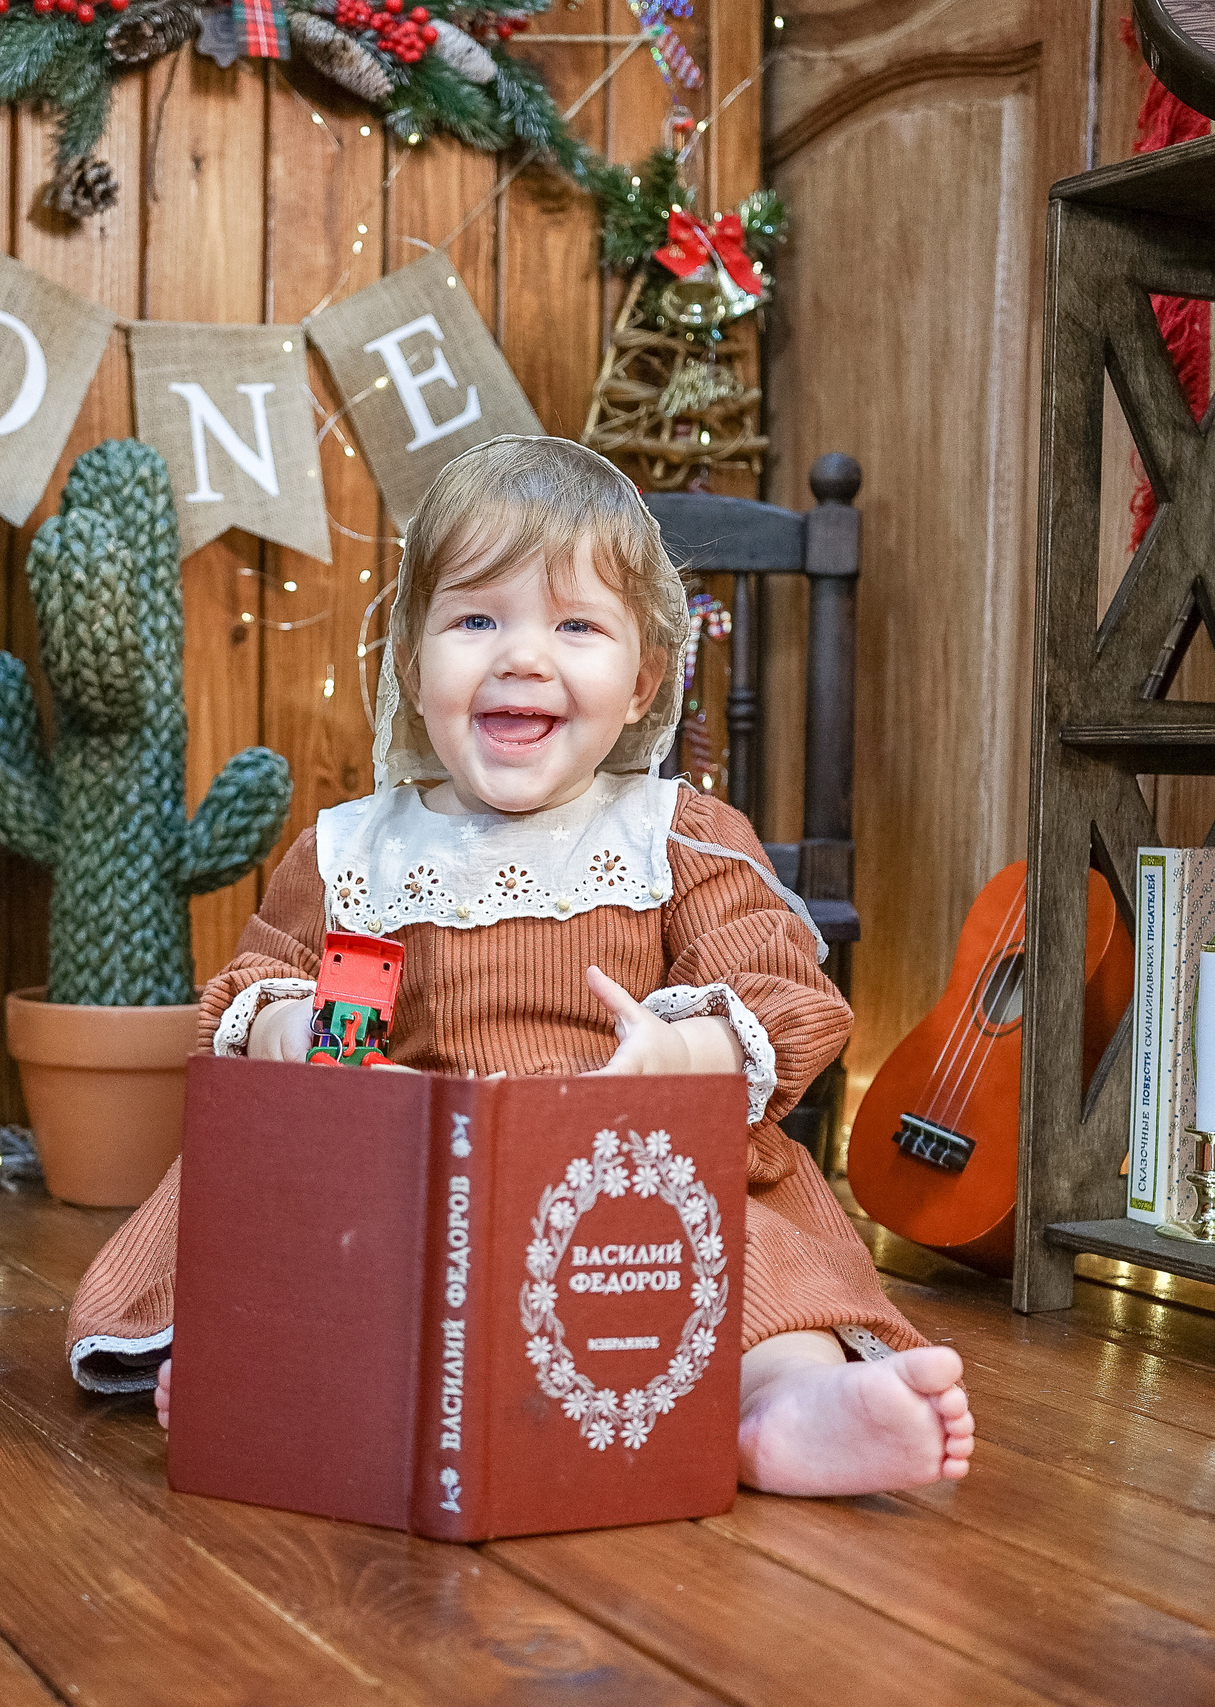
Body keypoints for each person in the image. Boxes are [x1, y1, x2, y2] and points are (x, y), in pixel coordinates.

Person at [65, 436, 972, 1497]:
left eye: (575, 625)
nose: (522, 657)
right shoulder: (362, 853)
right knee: (309, 1242)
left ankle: (780, 1407)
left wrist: (677, 1049)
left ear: (642, 680)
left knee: (741, 1256)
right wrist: (297, 1036)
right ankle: (281, 1373)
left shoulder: (671, 836)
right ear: (413, 662)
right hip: (413, 1181)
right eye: (476, 620)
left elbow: (777, 989)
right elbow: (281, 986)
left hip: (625, 1180)